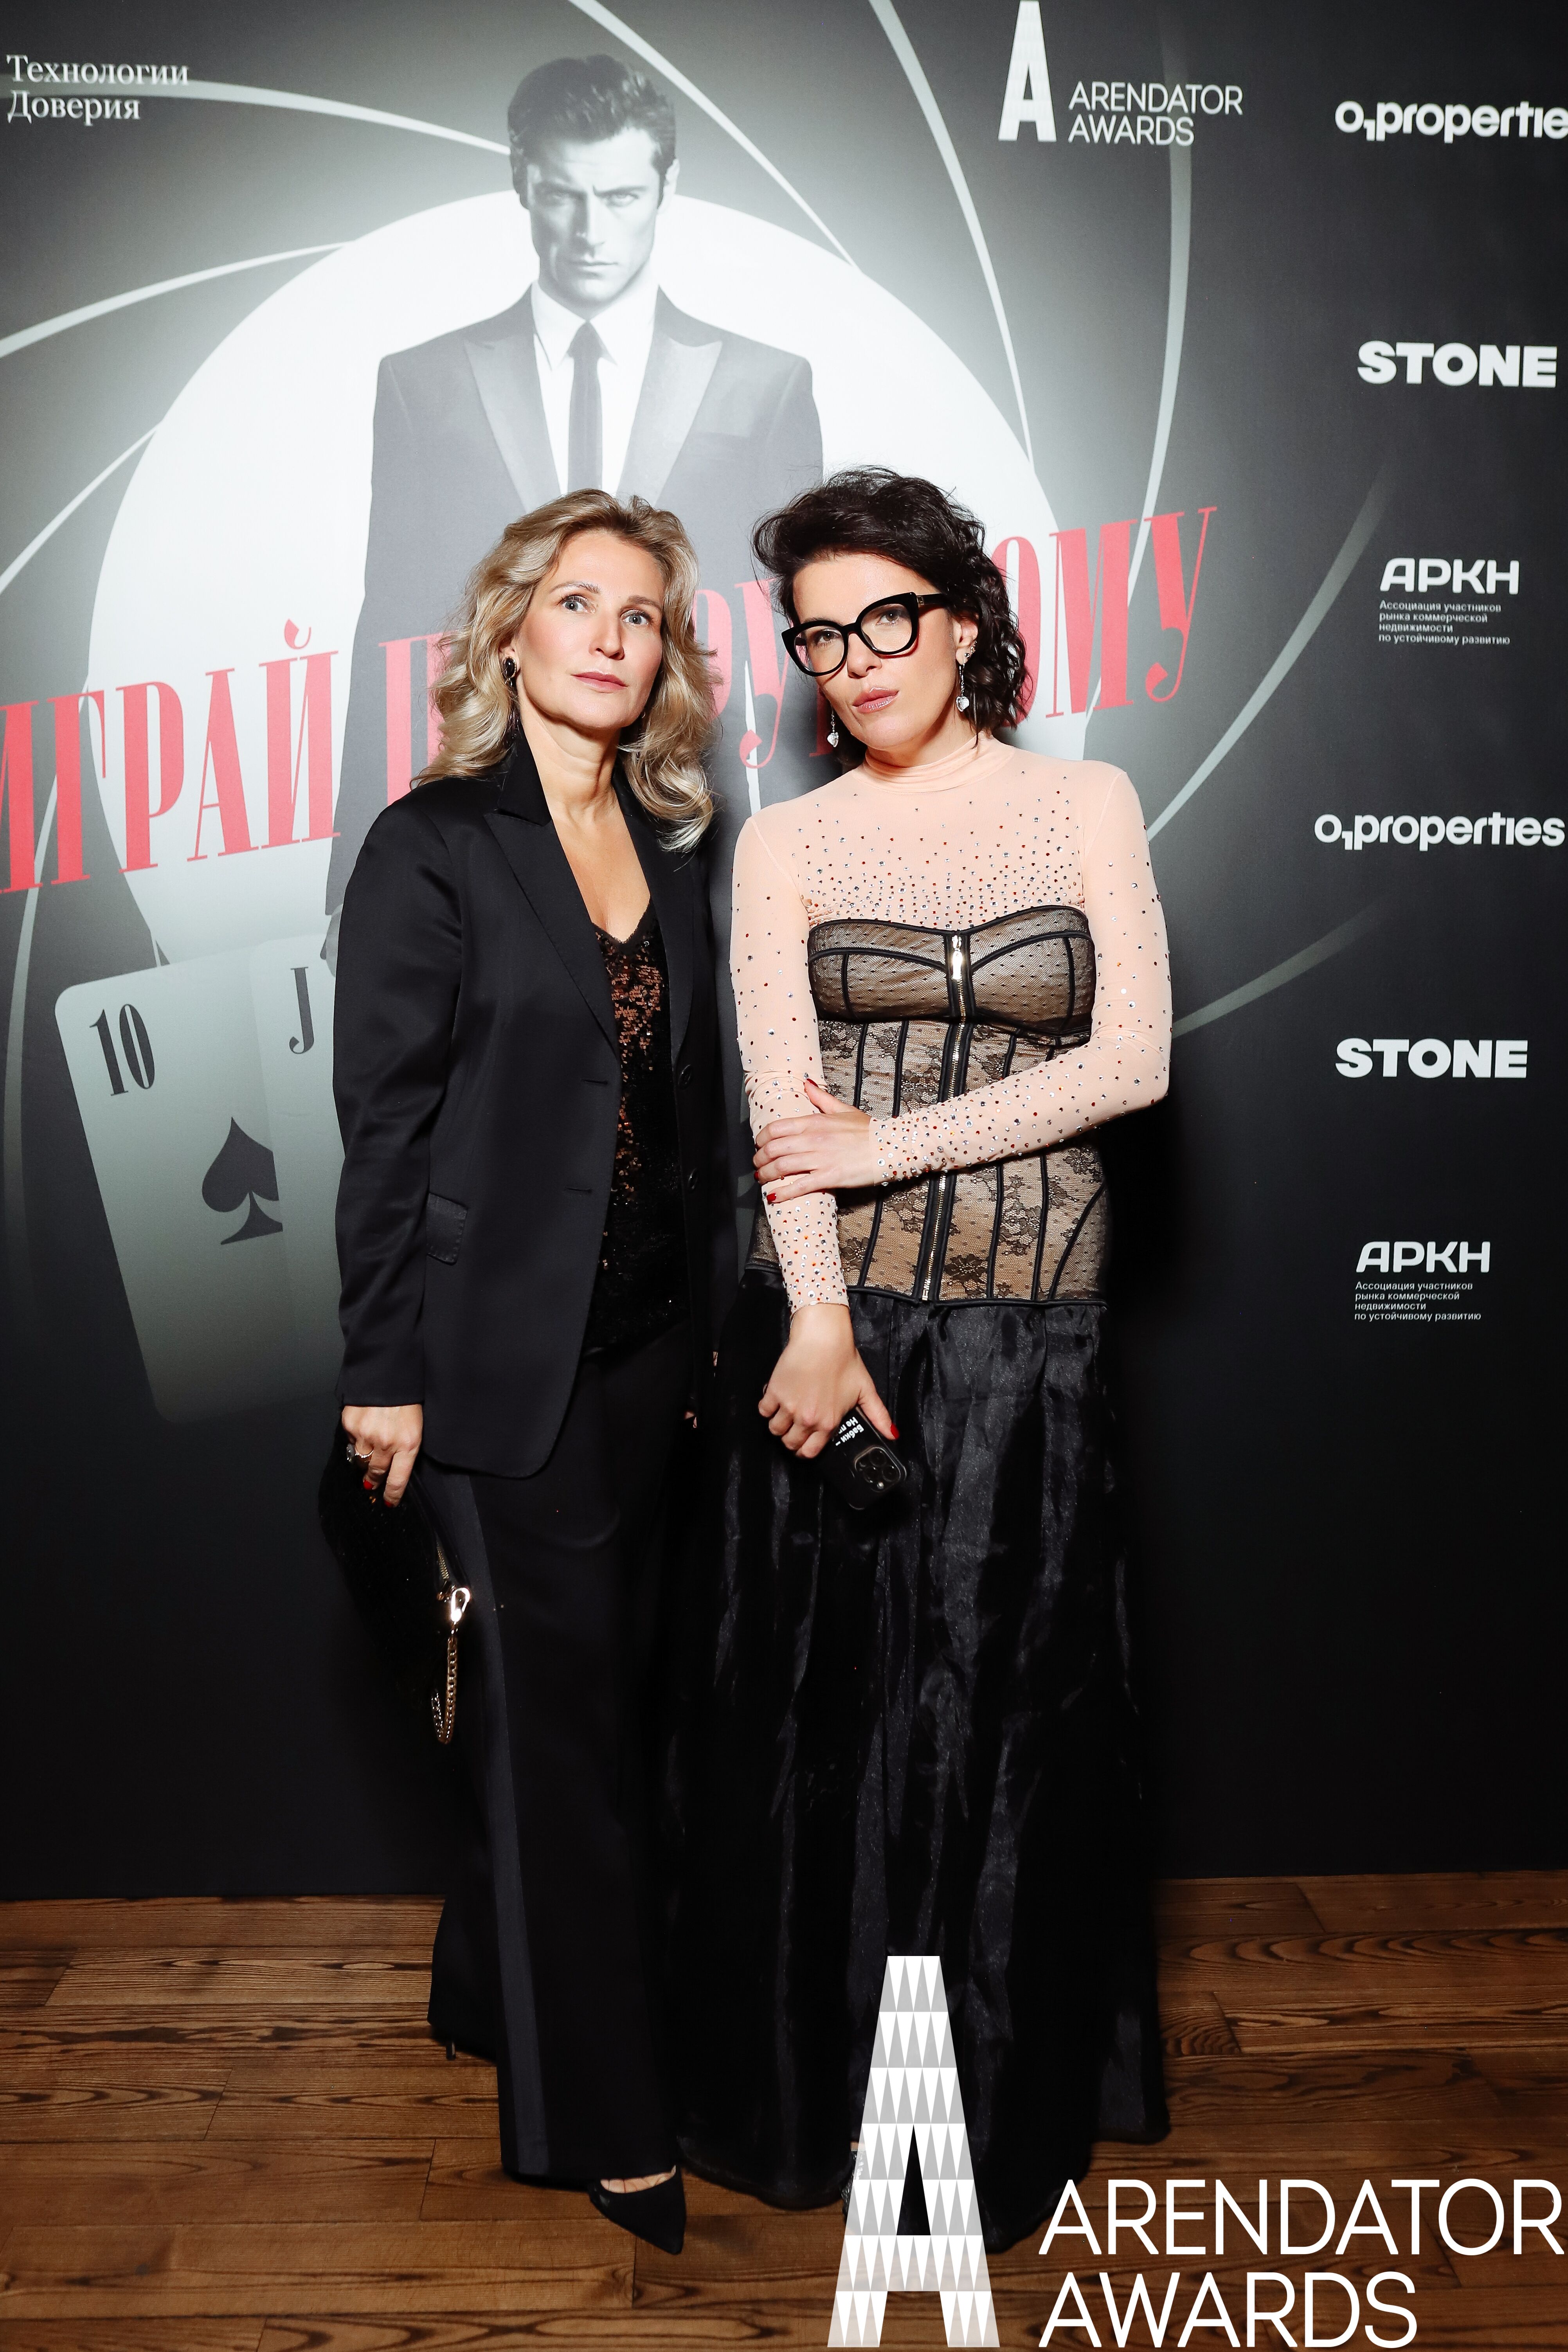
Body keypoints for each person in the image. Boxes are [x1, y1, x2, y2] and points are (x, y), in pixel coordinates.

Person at [670, 470, 1172, 2252]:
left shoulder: (1085, 801)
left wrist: (887, 1142)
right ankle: (816, 2104)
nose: (858, 657)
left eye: (888, 616)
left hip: (1035, 1339)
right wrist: (813, 1318)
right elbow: (773, 1105)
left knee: (1004, 1720)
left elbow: (1130, 1065)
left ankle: (986, 2114)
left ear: (962, 622)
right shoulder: (786, 842)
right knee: (833, 1726)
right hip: (841, 1333)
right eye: (821, 634)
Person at [333, 489, 731, 2257]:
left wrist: (712, 1334)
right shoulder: (433, 845)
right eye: (577, 602)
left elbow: (684, 1123)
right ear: (512, 630)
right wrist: (383, 1371)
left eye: (640, 615)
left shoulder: (678, 847)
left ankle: (488, 1990)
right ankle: (608, 2119)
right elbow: (384, 1132)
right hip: (493, 1375)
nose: (609, 637)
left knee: (603, 1715)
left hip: (652, 1364)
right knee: (566, 1748)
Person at [327, 51, 823, 925]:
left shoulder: (765, 383)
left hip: (706, 817)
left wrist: (813, 857)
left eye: (622, 197)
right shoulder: (422, 384)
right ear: (522, 180)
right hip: (493, 820)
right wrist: (350, 882)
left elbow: (801, 634)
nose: (592, 231)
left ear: (668, 186)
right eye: (564, 195)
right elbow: (389, 634)